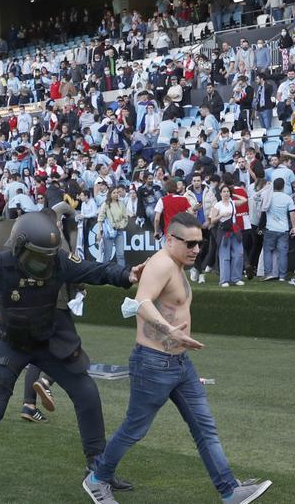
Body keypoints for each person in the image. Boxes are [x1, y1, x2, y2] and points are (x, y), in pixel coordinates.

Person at [0, 211, 141, 501]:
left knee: (87, 393)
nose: (44, 262)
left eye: (49, 256)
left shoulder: (58, 260)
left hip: (48, 341)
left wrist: (126, 274)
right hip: (12, 343)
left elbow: (92, 270)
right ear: (19, 248)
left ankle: (98, 470)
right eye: (38, 256)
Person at [84, 213, 272, 504]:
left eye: (201, 242)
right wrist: (170, 329)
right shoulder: (161, 264)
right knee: (134, 429)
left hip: (180, 364)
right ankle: (97, 478)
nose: (197, 249)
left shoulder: (176, 263)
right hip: (153, 363)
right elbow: (140, 303)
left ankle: (229, 491)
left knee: (204, 426)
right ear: (170, 239)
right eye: (191, 243)